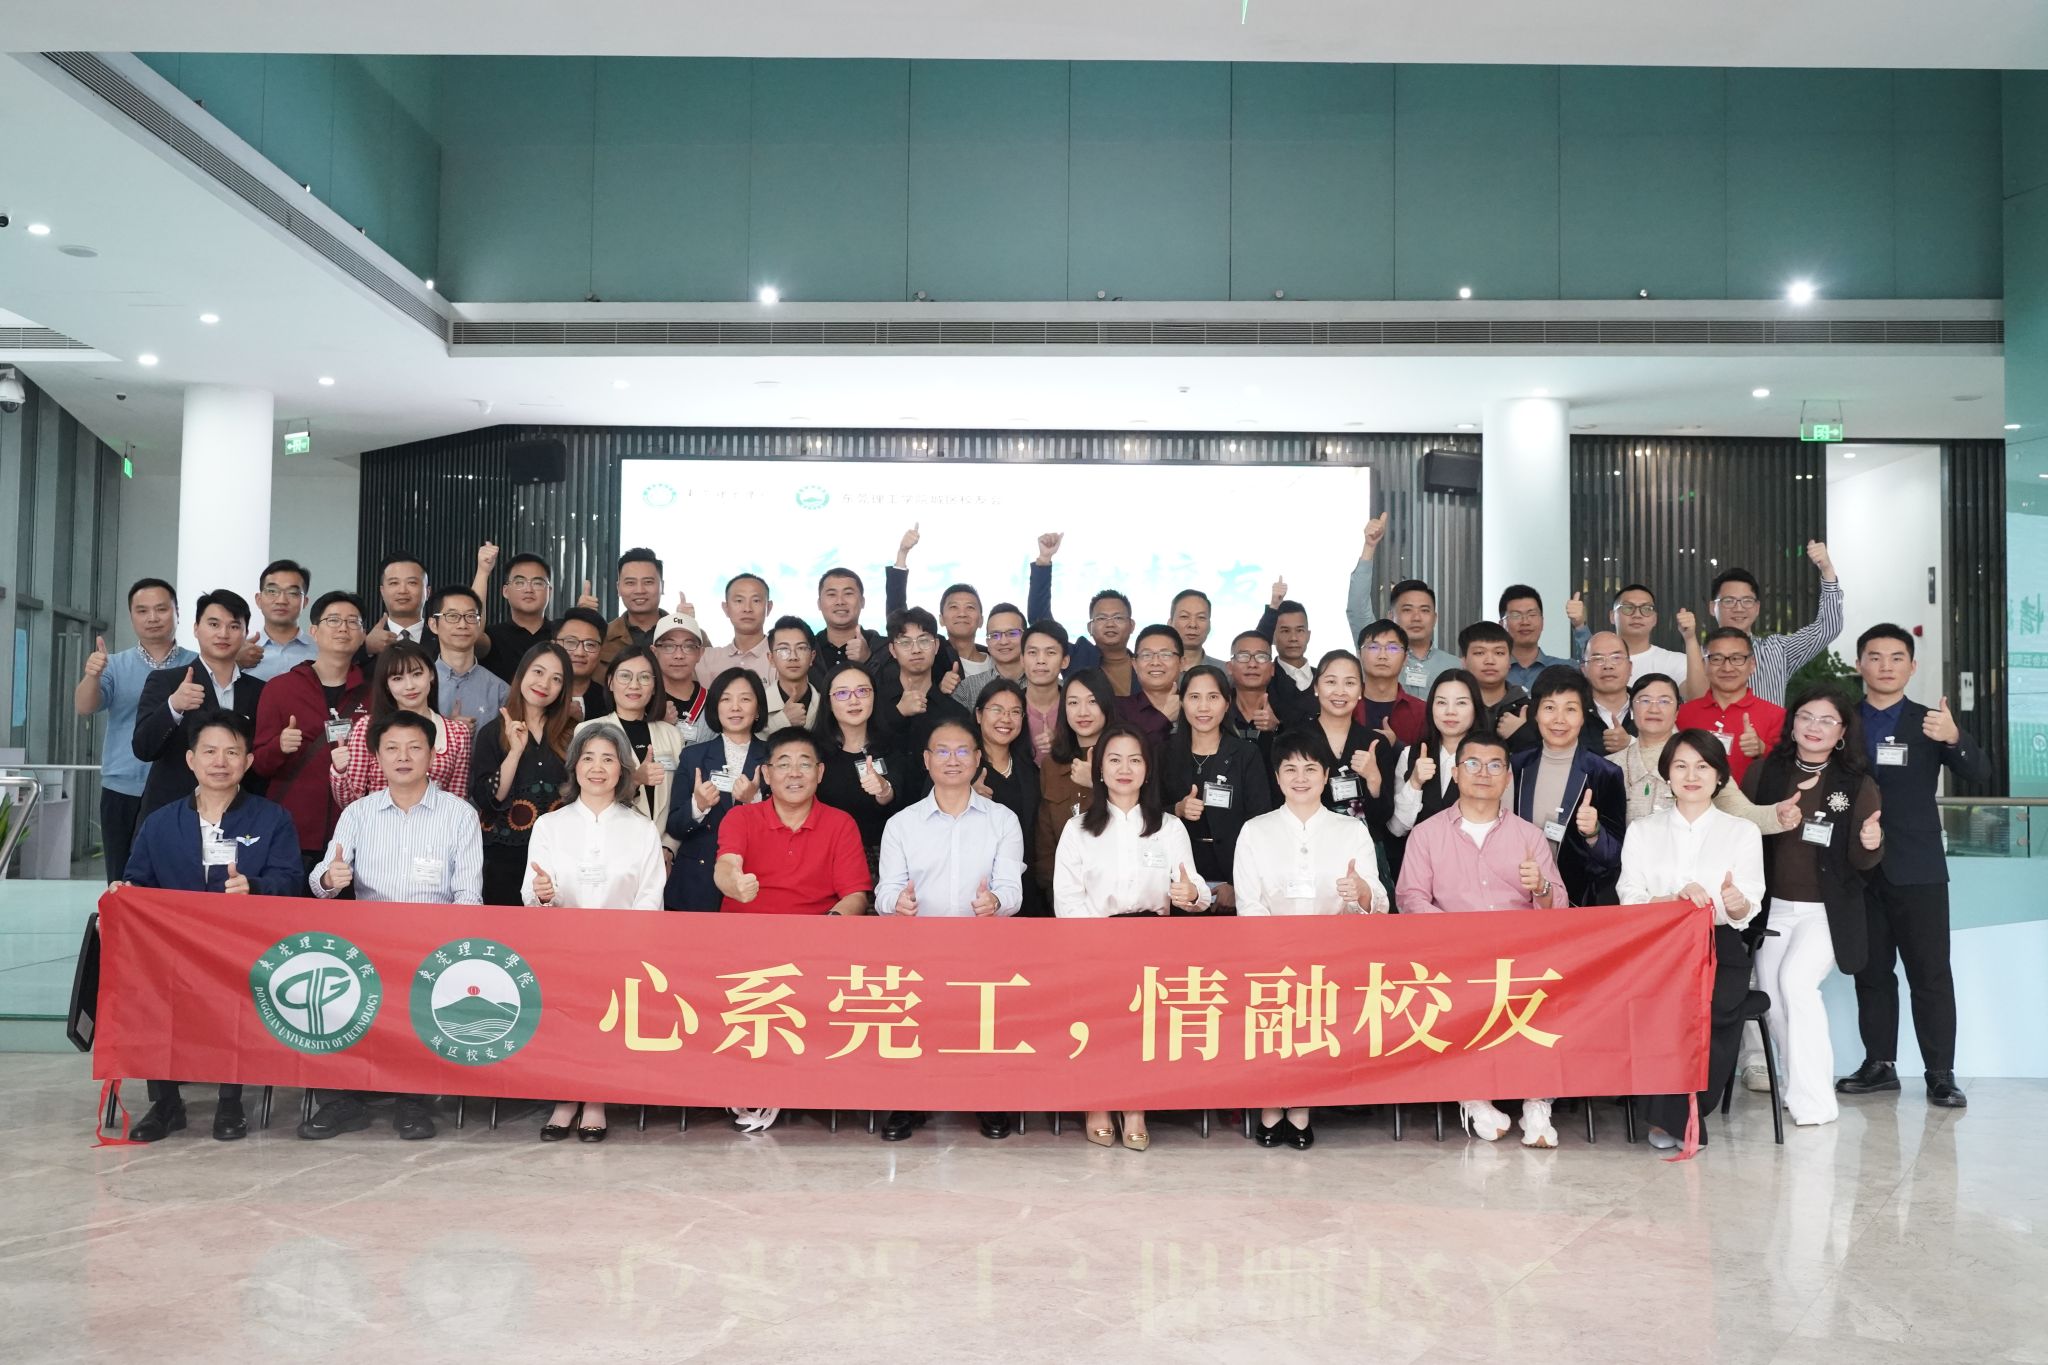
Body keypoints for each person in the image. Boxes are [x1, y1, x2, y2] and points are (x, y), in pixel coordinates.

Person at [115, 710, 302, 1143]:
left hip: (243, 948)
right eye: (210, 752)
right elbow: (138, 879)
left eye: (232, 753)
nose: (220, 762)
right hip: (172, 952)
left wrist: (254, 886)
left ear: (248, 762)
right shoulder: (160, 822)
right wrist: (125, 890)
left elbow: (291, 880)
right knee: (150, 990)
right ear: (191, 760)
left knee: (236, 989)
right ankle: (166, 1104)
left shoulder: (272, 818)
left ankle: (230, 1101)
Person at [306, 711, 484, 1141]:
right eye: (392, 748)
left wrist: (445, 952)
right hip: (370, 944)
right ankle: (343, 1100)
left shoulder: (459, 815)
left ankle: (413, 1101)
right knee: (327, 989)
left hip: (433, 945)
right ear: (377, 757)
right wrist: (330, 878)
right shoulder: (358, 813)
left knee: (421, 995)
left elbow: (469, 897)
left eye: (414, 748)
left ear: (432, 755)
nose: (403, 757)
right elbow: (319, 883)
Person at [1836, 624, 1989, 1110]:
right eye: (1875, 656)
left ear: (1912, 666)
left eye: (1896, 657)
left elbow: (1980, 772)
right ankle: (1879, 1064)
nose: (1885, 666)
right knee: (1871, 973)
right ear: (1859, 664)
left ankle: (1940, 1073)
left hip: (1918, 867)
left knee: (1930, 973)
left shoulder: (1931, 722)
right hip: (1857, 868)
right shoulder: (1840, 722)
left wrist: (1955, 737)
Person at [1396, 734, 1567, 1145]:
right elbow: (1410, 899)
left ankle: (1536, 1103)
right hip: (1454, 957)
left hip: (1520, 957)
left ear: (1507, 777)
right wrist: (1460, 937)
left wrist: (1541, 887)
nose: (1483, 773)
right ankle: (1473, 1099)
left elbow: (1558, 905)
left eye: (1494, 765)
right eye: (1472, 764)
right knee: (1447, 995)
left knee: (1551, 992)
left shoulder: (1529, 836)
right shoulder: (1427, 834)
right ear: (1456, 773)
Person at [1053, 724, 1210, 1150]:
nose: (1125, 769)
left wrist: (1192, 894)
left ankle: (1136, 1106)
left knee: (1144, 1028)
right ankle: (1098, 1104)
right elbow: (1067, 899)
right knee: (1100, 1027)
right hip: (1094, 943)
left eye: (1135, 760)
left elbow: (1194, 886)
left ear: (1147, 769)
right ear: (1100, 770)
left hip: (1153, 943)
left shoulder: (1169, 827)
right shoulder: (1078, 829)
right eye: (1115, 760)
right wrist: (1099, 946)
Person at [873, 717, 1028, 1141]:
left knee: (982, 1019)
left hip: (983, 948)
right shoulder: (902, 824)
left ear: (978, 760)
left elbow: (1011, 890)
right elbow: (885, 891)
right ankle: (910, 1102)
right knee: (912, 1018)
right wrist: (897, 903)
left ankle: (986, 1100)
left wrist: (995, 902)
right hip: (919, 947)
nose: (952, 760)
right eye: (942, 751)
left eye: (962, 751)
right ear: (927, 760)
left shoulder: (1003, 821)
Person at [1739, 684, 1885, 1127]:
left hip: (1825, 912)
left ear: (1841, 732)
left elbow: (1862, 863)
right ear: (1792, 724)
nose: (1814, 726)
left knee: (1797, 984)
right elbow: (1742, 833)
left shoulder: (1857, 783)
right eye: (1806, 716)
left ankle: (1816, 1102)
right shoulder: (1764, 773)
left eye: (1827, 720)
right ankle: (1796, 1086)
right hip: (1773, 908)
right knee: (1773, 999)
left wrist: (1872, 843)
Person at [1234, 730, 1387, 1149]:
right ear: (1277, 777)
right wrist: (1275, 950)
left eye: (1310, 769)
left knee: (1314, 1027)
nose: (1300, 778)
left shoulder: (1350, 830)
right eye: (1290, 769)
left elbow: (1377, 901)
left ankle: (1301, 1107)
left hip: (1331, 956)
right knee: (1271, 1023)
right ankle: (1270, 1105)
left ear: (1325, 776)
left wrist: (1360, 892)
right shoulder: (1255, 831)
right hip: (1268, 954)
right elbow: (1248, 903)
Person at [1616, 729, 1768, 1150]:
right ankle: (1672, 1120)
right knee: (1659, 1013)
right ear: (1667, 774)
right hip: (1657, 946)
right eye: (1681, 766)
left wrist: (1734, 903)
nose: (1692, 775)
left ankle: (1687, 1114)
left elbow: (1748, 906)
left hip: (1718, 945)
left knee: (1714, 1012)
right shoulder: (1643, 830)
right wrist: (1672, 900)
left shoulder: (1741, 831)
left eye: (1703, 766)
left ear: (1719, 775)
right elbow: (1630, 896)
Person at [522, 721, 666, 1143]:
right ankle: (565, 1098)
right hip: (563, 949)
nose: (597, 768)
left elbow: (650, 895)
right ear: (574, 766)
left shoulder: (641, 828)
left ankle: (596, 1100)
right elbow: (532, 892)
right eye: (588, 758)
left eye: (608, 759)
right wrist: (543, 894)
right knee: (567, 1024)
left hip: (621, 950)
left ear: (622, 770)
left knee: (606, 1020)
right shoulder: (551, 825)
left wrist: (629, 945)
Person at [76, 578, 198, 879]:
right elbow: (84, 706)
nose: (152, 617)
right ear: (131, 616)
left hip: (181, 788)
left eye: (161, 609)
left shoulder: (197, 664)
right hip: (124, 788)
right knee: (121, 877)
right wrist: (92, 675)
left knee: (180, 876)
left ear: (177, 613)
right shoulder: (114, 664)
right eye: (142, 611)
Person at [252, 590, 369, 871]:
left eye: (353, 621)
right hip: (292, 829)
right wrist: (279, 746)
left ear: (363, 634)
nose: (343, 628)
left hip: (357, 833)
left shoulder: (375, 692)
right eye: (334, 620)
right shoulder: (280, 688)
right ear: (314, 631)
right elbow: (258, 765)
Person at [134, 589, 265, 819]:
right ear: (196, 628)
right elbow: (144, 748)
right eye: (214, 624)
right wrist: (173, 706)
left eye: (234, 626)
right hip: (174, 813)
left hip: (238, 815)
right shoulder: (167, 681)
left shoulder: (259, 691)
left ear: (245, 633)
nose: (223, 634)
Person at [713, 727, 872, 915]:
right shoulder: (740, 817)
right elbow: (726, 865)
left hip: (815, 930)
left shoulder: (841, 824)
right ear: (767, 774)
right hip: (746, 928)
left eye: (805, 764)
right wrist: (734, 883)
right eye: (783, 765)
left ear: (820, 772)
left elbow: (855, 895)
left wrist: (831, 923)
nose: (794, 773)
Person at [1510, 667, 1626, 905]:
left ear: (1583, 716)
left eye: (1570, 709)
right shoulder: (1515, 766)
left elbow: (1614, 857)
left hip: (1578, 902)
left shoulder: (1605, 773)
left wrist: (1594, 832)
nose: (1559, 719)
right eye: (1549, 708)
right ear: (1536, 713)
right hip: (1519, 898)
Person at [470, 643, 574, 905]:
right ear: (522, 673)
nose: (544, 684)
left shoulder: (572, 733)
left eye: (556, 679)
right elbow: (487, 799)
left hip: (561, 856)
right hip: (503, 857)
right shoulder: (492, 732)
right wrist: (515, 752)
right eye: (538, 672)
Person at [1160, 665, 1271, 911]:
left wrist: (1236, 884)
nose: (1203, 707)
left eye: (1213, 697)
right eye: (1194, 697)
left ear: (1227, 703)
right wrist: (1177, 809)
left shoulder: (1246, 754)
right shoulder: (1165, 753)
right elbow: (1147, 814)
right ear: (1182, 702)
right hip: (1176, 884)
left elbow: (1260, 823)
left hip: (1232, 879)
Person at [1618, 674, 1781, 833]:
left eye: (1664, 701)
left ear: (1677, 711)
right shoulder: (1612, 764)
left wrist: (1778, 815)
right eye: (1645, 700)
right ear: (1631, 709)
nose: (1654, 709)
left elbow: (1738, 810)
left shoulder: (1703, 756)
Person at [666, 666, 770, 910]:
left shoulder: (773, 756)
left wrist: (754, 801)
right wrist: (698, 806)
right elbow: (675, 826)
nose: (735, 707)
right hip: (698, 881)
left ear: (758, 709)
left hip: (755, 878)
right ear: (715, 707)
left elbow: (786, 823)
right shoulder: (693, 756)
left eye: (745, 699)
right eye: (726, 699)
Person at [329, 640, 472, 807]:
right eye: (397, 678)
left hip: (438, 824)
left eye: (417, 674)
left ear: (431, 674)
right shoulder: (367, 728)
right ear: (386, 685)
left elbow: (457, 800)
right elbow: (350, 802)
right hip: (377, 823)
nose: (410, 686)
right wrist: (339, 771)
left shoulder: (457, 733)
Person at [583, 646, 684, 872]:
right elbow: (584, 799)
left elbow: (679, 798)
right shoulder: (589, 731)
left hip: (660, 857)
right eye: (625, 676)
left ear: (655, 685)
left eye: (645, 677)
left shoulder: (672, 735)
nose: (634, 685)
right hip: (608, 853)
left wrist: (669, 846)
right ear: (610, 682)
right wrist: (635, 780)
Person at [1706, 542, 1842, 705]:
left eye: (1747, 601)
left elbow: (1828, 628)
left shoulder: (1778, 650)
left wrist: (1827, 570)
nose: (1739, 608)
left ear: (1757, 608)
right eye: (1729, 601)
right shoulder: (1699, 656)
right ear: (1713, 608)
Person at [814, 663, 905, 873]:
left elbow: (901, 800)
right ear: (828, 701)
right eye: (842, 693)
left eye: (863, 691)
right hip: (826, 855)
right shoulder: (813, 751)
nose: (854, 700)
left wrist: (884, 790)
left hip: (884, 855)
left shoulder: (894, 745)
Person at [1037, 670, 1116, 899]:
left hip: (1118, 890)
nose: (1082, 712)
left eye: (1092, 701)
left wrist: (1096, 783)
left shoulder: (1126, 756)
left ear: (1106, 704)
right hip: (1064, 893)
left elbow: (1141, 817)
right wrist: (1053, 888)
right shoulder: (1052, 764)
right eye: (1073, 702)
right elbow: (1045, 837)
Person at [1676, 626, 1786, 784]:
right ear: (1704, 665)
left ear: (1752, 664)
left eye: (1737, 658)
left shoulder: (1777, 716)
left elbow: (1790, 770)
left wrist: (1763, 750)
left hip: (1751, 800)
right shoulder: (1682, 714)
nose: (1727, 668)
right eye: (1716, 659)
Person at [970, 678, 1044, 913]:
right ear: (979, 715)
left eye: (1015, 712)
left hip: (1025, 888)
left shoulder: (1030, 771)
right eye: (997, 710)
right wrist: (965, 797)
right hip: (973, 892)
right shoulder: (959, 768)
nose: (1006, 719)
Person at [1387, 669, 1486, 842]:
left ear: (1475, 707)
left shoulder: (1492, 759)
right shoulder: (1410, 755)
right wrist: (1414, 783)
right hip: (1420, 855)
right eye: (1441, 702)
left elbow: (1503, 825)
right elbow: (1396, 828)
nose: (1450, 711)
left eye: (1461, 703)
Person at [1303, 650, 1393, 838]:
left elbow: (1383, 817)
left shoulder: (1376, 744)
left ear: (1361, 691)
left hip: (1362, 847)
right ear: (1316, 687)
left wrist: (1373, 778)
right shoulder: (1295, 740)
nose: (1340, 691)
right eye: (1331, 682)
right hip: (1309, 845)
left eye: (1350, 683)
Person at [877, 606, 970, 766]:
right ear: (892, 650)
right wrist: (898, 713)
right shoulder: (875, 701)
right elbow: (866, 746)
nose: (916, 650)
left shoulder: (955, 711)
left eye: (924, 641)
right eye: (905, 642)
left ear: (937, 646)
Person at [1570, 584, 1702, 697]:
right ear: (1612, 616)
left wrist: (1690, 638)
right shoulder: (1597, 662)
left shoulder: (1675, 661)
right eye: (1628, 608)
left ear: (1655, 619)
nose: (1637, 615)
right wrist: (1579, 625)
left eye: (1646, 609)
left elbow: (1697, 697)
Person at [428, 584, 508, 729]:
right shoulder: (420, 684)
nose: (462, 624)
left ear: (479, 624)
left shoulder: (500, 690)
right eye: (452, 616)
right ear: (433, 624)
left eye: (471, 616)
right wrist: (447, 730)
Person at [1221, 630, 1300, 767]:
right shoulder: (1218, 711)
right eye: (1243, 656)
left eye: (1261, 657)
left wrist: (1277, 728)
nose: (1252, 664)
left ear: (1272, 668)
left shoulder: (1293, 710)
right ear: (1229, 667)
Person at [481, 551, 556, 683]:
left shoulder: (561, 634)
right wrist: (482, 572)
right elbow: (473, 631)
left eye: (537, 583)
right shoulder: (492, 637)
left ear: (549, 591)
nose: (529, 589)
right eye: (520, 582)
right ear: (505, 591)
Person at [698, 573, 778, 694]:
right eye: (739, 601)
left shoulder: (781, 658)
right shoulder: (706, 658)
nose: (747, 609)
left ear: (769, 607)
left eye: (756, 601)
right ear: (726, 608)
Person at [1459, 621, 1532, 751]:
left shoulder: (1527, 710)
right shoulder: (1451, 708)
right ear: (1464, 661)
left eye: (1499, 653)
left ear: (1509, 661)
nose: (1490, 661)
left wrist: (1523, 733)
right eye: (1479, 653)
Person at [1354, 619, 1427, 748]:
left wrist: (1397, 745)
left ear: (1405, 658)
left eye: (1393, 648)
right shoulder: (1346, 704)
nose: (1382, 656)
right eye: (1373, 647)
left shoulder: (1422, 712)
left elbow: (1429, 756)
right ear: (1359, 655)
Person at [241, 559, 317, 680]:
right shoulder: (240, 652)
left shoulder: (321, 651)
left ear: (305, 602)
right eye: (272, 591)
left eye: (292, 593)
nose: (281, 601)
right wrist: (232, 663)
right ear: (258, 600)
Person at [595, 546, 670, 669]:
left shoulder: (686, 635)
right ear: (618, 588)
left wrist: (686, 625)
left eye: (648, 582)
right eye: (630, 583)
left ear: (662, 586)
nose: (639, 590)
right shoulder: (602, 638)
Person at [1115, 624, 1182, 756]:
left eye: (1165, 655)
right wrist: (1164, 718)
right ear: (1134, 664)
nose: (1155, 662)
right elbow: (1126, 756)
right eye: (1146, 655)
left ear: (1182, 662)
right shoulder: (1119, 709)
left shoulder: (1197, 705)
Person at [1386, 578, 1457, 698]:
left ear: (1435, 618)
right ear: (1391, 617)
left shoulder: (1455, 666)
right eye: (1407, 610)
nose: (1416, 618)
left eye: (1424, 610)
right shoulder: (1379, 662)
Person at [814, 566, 889, 676]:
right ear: (819, 604)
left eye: (848, 593)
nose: (840, 602)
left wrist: (868, 660)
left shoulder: (886, 648)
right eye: (832, 594)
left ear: (862, 602)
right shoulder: (807, 649)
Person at [955, 601, 1031, 708]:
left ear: (1027, 638)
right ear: (987, 642)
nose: (1003, 641)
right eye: (995, 635)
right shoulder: (967, 689)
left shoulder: (1048, 683)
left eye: (1012, 633)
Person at [1497, 584, 1574, 690]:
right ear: (1502, 625)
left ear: (1542, 622)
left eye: (1532, 615)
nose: (1525, 622)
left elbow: (1591, 663)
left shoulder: (1566, 670)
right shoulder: (1491, 672)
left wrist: (1579, 626)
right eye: (1516, 616)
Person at [652, 613, 713, 742]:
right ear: (654, 652)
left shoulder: (714, 702)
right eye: (669, 646)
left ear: (700, 653)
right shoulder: (643, 700)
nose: (679, 655)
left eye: (688, 647)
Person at [1582, 630, 1639, 759]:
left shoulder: (1650, 708)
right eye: (1598, 659)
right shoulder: (1572, 712)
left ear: (1630, 667)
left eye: (1616, 658)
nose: (1608, 666)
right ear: (1584, 669)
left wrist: (1632, 744)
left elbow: (1668, 754)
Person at [363, 553, 435, 656]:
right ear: (382, 592)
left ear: (427, 592)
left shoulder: (443, 640)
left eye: (412, 583)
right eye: (394, 583)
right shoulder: (363, 642)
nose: (402, 591)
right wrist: (366, 648)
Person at [1020, 620, 1070, 764]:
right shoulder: (1010, 706)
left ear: (1064, 661)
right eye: (1032, 652)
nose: (1041, 660)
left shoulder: (1077, 707)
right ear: (1022, 660)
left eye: (1050, 652)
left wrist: (1063, 745)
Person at [764, 616, 824, 733]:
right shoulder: (756, 706)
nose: (793, 657)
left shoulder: (828, 705)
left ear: (812, 657)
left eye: (801, 648)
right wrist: (782, 721)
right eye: (783, 649)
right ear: (771, 659)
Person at [1072, 589, 1137, 696]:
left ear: (1132, 625)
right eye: (1101, 618)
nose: (1110, 624)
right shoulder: (1075, 658)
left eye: (1118, 618)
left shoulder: (1146, 664)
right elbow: (1045, 624)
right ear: (1090, 627)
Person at [553, 607, 613, 721]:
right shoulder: (539, 693)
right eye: (570, 642)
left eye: (590, 645)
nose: (579, 653)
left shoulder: (611, 701)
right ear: (553, 645)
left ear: (601, 652)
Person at [1169, 589, 1228, 671]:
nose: (1193, 625)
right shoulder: (1154, 668)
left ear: (1209, 625)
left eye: (1201, 617)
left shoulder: (1226, 672)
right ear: (1170, 623)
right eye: (1184, 616)